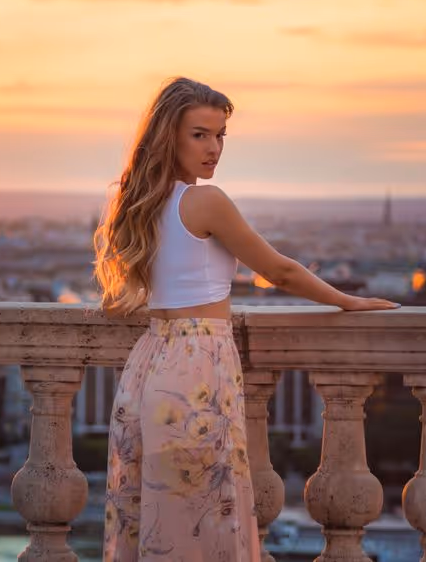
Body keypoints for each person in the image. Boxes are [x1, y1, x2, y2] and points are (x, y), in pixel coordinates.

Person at [94, 77, 398, 561]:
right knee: (203, 517)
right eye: (199, 134)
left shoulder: (137, 204)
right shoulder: (204, 201)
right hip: (197, 364)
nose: (214, 149)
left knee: (151, 515)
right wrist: (349, 301)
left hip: (150, 361)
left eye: (220, 136)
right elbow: (278, 270)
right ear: (168, 135)